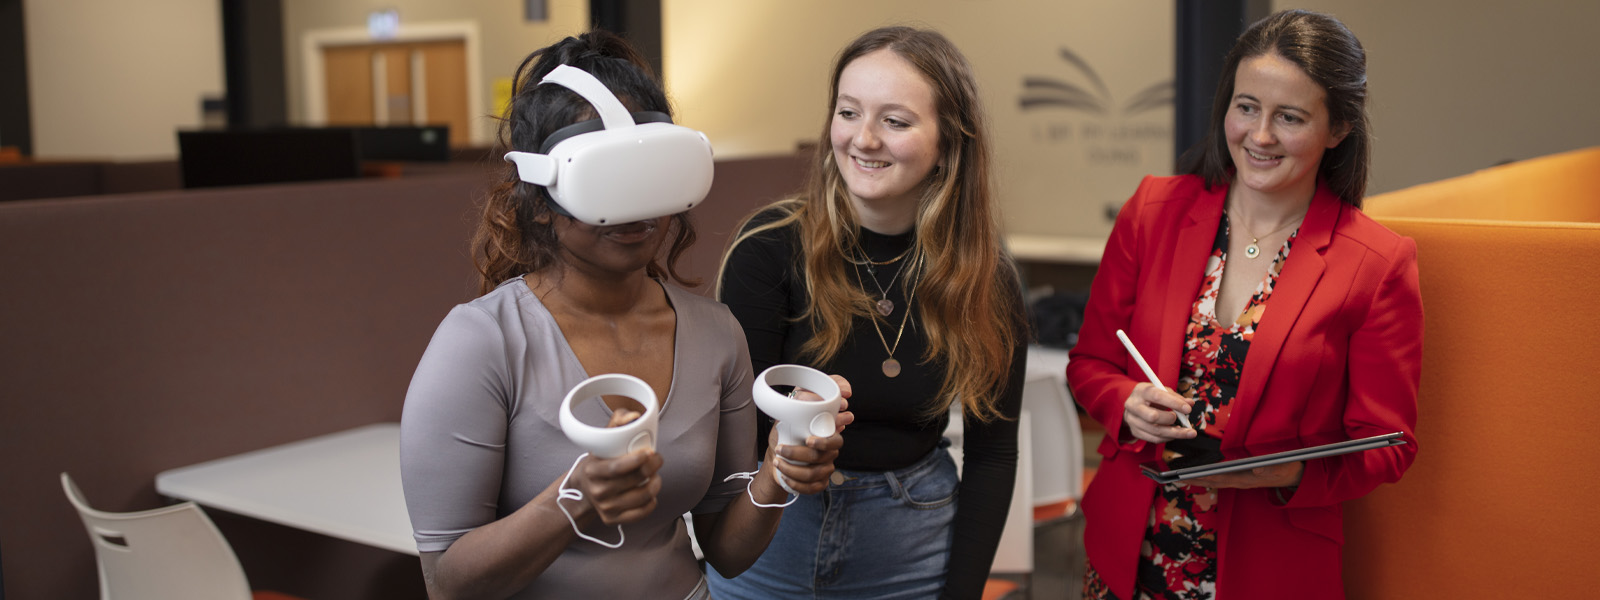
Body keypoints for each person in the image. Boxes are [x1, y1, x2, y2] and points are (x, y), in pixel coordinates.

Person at [398, 31, 850, 600]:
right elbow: (447, 584)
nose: (635, 209)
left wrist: (779, 469)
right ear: (540, 200)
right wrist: (573, 500)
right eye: (606, 178)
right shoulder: (481, 342)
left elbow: (728, 553)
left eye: (651, 172)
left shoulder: (716, 334)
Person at [1067, 9, 1423, 600]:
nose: (1259, 136)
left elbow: (1389, 445)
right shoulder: (1153, 211)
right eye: (1247, 107)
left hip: (1270, 567)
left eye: (1290, 117)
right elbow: (1090, 364)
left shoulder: (1376, 263)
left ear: (1338, 128)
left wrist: (1295, 473)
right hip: (1128, 554)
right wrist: (1125, 402)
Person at [710, 26, 1028, 600]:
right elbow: (733, 435)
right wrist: (789, 433)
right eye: (849, 112)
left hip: (912, 546)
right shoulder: (769, 247)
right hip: (770, 540)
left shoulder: (986, 277)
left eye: (896, 121)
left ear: (949, 143)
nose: (864, 139)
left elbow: (992, 456)